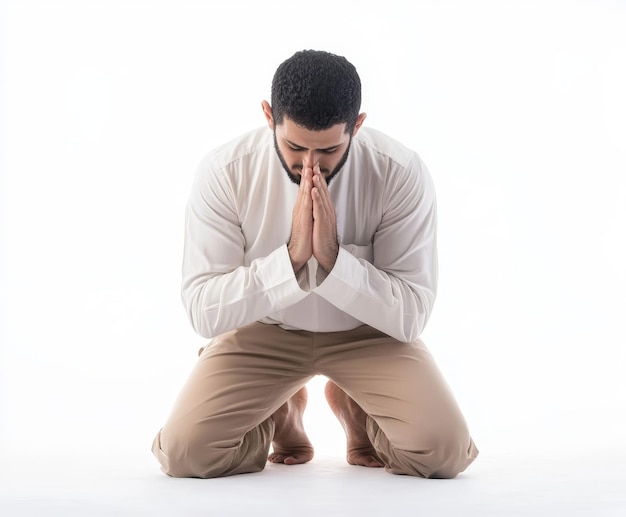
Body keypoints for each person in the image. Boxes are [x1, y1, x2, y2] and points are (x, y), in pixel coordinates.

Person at [152, 50, 478, 479]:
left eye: (327, 149)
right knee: (185, 455)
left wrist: (333, 261)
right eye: (293, 145)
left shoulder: (400, 172)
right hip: (266, 332)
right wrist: (289, 261)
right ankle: (281, 411)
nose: (310, 165)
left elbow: (412, 313)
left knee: (443, 454)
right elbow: (203, 308)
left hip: (368, 337)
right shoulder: (224, 171)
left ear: (356, 126)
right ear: (269, 116)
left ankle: (354, 406)